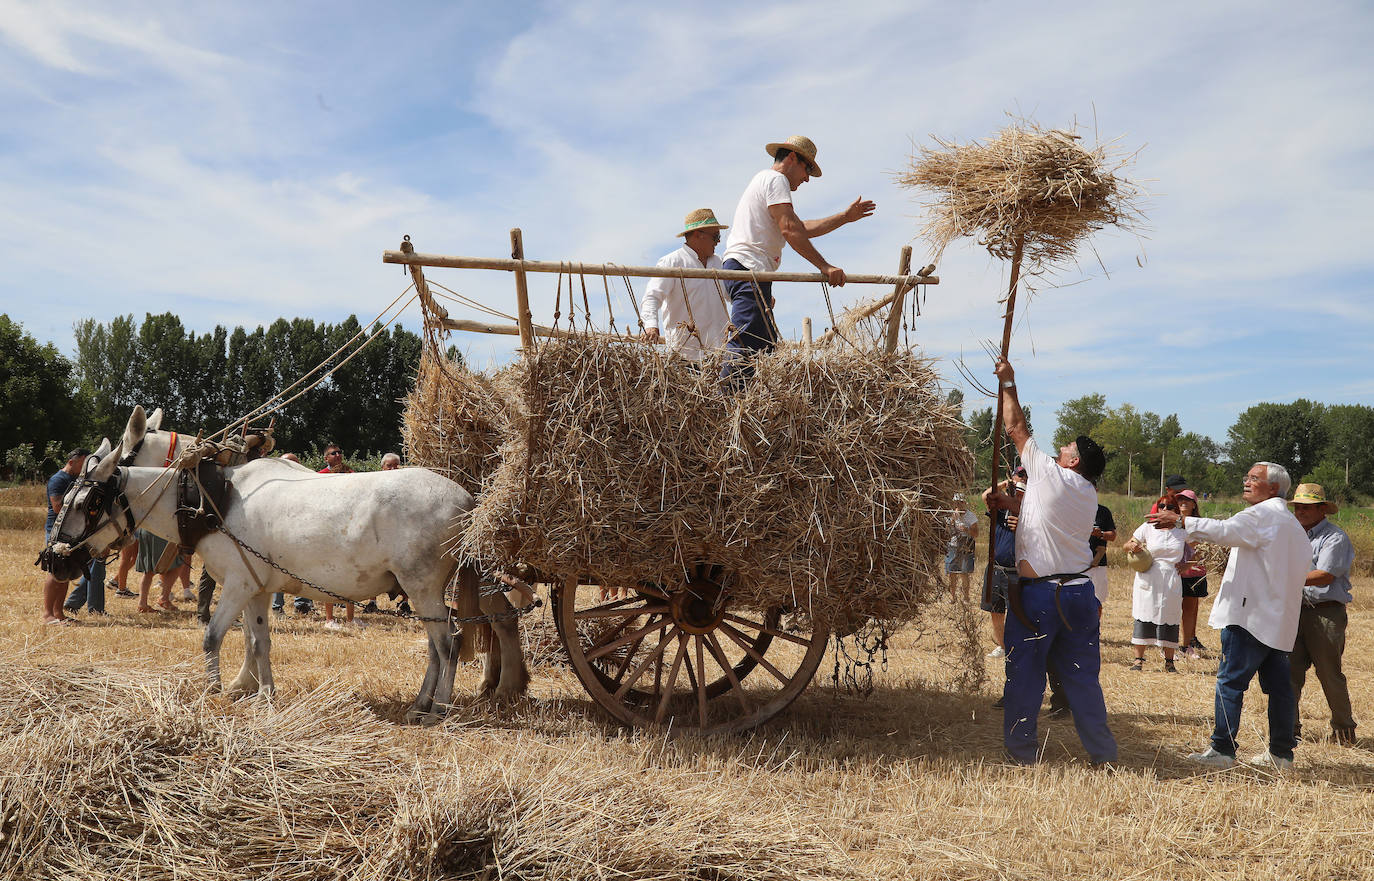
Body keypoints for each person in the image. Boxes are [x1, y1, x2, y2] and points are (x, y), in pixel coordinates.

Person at [989, 360, 1116, 766]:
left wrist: (1008, 382)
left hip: (1041, 597)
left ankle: (1022, 754)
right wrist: (1010, 503)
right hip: (1080, 594)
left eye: (1069, 448)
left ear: (1074, 462)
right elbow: (1043, 514)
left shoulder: (1048, 472)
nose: (1062, 447)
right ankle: (1103, 754)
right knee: (1082, 680)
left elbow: (1015, 429)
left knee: (1024, 676)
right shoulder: (1086, 494)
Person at [1151, 462, 1309, 770]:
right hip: (1280, 619)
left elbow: (1223, 531)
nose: (1246, 482)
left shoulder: (1261, 515)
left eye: (1254, 478)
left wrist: (1182, 521)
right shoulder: (1293, 525)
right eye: (1247, 476)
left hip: (1249, 617)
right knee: (1280, 689)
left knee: (1230, 683)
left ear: (1274, 489)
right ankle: (1281, 754)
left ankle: (1222, 749)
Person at [719, 135, 874, 382]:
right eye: (807, 168)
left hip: (750, 270)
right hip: (748, 269)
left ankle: (744, 406)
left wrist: (844, 217)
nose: (807, 178)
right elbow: (790, 230)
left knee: (763, 347)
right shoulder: (775, 179)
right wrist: (825, 266)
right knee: (745, 346)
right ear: (792, 158)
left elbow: (800, 227)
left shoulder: (765, 181)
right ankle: (727, 406)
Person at [1287, 483, 1357, 746]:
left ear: (1322, 509)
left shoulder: (1334, 537)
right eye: (1298, 507)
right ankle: (1289, 731)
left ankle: (1344, 731)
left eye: (1307, 507)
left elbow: (1325, 575)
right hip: (1293, 610)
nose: (1301, 511)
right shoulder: (1292, 535)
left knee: (1329, 673)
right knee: (1288, 673)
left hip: (1325, 614)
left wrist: (1283, 579)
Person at [639, 209, 732, 360]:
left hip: (719, 357)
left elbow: (734, 294)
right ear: (698, 235)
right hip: (685, 356)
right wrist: (650, 325)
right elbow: (652, 297)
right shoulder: (671, 262)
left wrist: (758, 298)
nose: (718, 242)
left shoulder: (720, 263)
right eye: (716, 236)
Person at [1123, 492, 1186, 673]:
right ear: (1157, 508)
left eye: (1170, 507)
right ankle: (1138, 659)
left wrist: (1187, 565)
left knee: (1170, 615)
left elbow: (1201, 547)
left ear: (1176, 510)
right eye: (1162, 506)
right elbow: (1126, 544)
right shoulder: (1147, 527)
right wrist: (1133, 546)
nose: (1165, 510)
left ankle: (1169, 661)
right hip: (1149, 575)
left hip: (1171, 577)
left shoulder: (1182, 531)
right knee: (1145, 612)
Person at [41, 448, 90, 624]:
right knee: (54, 572)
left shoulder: (77, 480)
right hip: (55, 531)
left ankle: (59, 614)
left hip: (70, 532)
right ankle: (47, 615)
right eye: (83, 463)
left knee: (65, 573)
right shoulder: (58, 479)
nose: (85, 467)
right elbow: (57, 507)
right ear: (72, 461)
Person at [318, 444, 355, 629]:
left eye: (340, 452)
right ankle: (329, 619)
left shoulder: (350, 473)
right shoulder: (320, 476)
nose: (338, 455)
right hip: (328, 529)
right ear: (326, 458)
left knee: (349, 572)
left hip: (348, 527)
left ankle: (350, 619)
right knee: (329, 573)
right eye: (334, 453)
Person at [1175, 490, 1210, 658]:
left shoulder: (1200, 524)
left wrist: (1187, 565)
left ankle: (1186, 646)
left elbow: (1203, 549)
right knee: (1172, 610)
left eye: (1187, 500)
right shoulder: (1171, 521)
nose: (1183, 502)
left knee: (1189, 610)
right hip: (1174, 571)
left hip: (1193, 573)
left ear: (1194, 504)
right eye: (1180, 499)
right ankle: (1170, 645)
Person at [133, 528, 188, 613]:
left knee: (149, 570)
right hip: (162, 531)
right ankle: (164, 598)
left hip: (146, 530)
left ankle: (142, 604)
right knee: (178, 562)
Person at [944, 493, 978, 602]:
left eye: (960, 502)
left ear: (964, 503)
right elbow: (947, 532)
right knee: (951, 572)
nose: (958, 504)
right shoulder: (951, 515)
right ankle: (952, 597)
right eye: (956, 502)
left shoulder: (971, 516)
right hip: (953, 545)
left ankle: (966, 597)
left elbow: (976, 533)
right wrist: (952, 521)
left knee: (964, 572)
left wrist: (967, 529)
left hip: (966, 545)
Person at [1088, 503, 1116, 607]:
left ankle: (1096, 623)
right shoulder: (1075, 508)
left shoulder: (1103, 511)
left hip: (1097, 563)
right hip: (1077, 562)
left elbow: (1113, 536)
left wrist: (1100, 534)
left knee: (1097, 600)